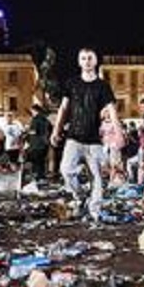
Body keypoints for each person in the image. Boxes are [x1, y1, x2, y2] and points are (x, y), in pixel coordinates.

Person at [50, 47, 119, 222]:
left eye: (90, 58)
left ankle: (94, 211)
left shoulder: (103, 86)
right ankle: (80, 196)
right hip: (74, 137)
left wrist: (118, 133)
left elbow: (111, 110)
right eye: (83, 58)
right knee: (65, 171)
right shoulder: (72, 83)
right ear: (79, 62)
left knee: (97, 177)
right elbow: (63, 108)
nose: (87, 61)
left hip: (94, 140)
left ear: (95, 61)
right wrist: (56, 130)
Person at [25, 104, 52, 182]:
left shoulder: (35, 119)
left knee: (36, 163)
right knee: (42, 162)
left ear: (35, 110)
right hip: (44, 144)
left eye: (32, 111)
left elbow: (34, 131)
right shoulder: (46, 120)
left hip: (36, 145)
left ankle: (38, 178)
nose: (31, 112)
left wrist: (27, 130)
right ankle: (42, 177)